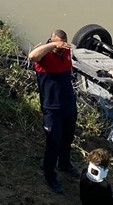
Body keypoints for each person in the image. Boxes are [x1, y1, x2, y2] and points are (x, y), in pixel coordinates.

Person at [28, 29, 79, 193]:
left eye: (62, 43)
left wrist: (62, 47)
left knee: (67, 138)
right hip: (52, 108)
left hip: (69, 104)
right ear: (50, 41)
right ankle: (50, 175)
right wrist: (53, 45)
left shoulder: (66, 53)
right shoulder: (44, 57)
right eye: (57, 43)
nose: (61, 47)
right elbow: (32, 56)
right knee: (53, 142)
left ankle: (64, 163)